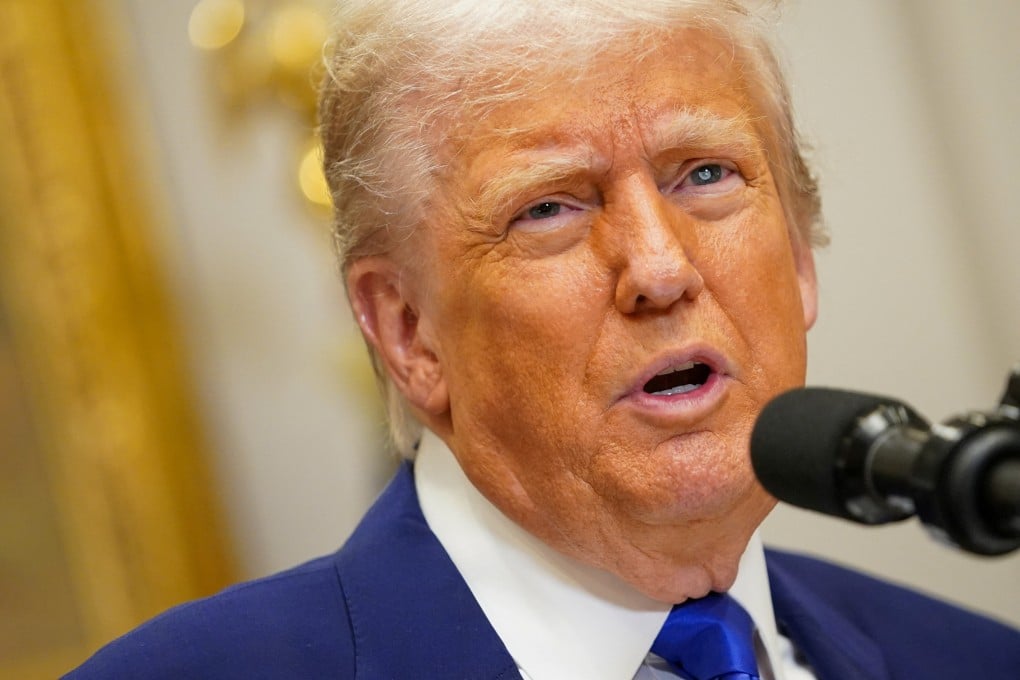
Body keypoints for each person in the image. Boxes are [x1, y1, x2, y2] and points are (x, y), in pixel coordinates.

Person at [67, 1, 1019, 678]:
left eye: (705, 175)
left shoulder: (975, 659)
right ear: (409, 333)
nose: (659, 267)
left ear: (802, 260)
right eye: (550, 207)